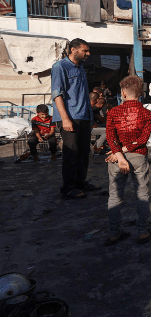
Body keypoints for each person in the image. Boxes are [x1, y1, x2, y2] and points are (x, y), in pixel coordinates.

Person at [103, 75, 151, 246]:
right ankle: (142, 231)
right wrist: (124, 151)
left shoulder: (113, 112)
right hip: (138, 156)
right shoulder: (147, 113)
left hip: (116, 158)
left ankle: (114, 233)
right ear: (140, 93)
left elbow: (110, 136)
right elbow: (142, 140)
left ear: (123, 93)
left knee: (115, 196)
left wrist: (118, 154)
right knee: (142, 194)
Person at [51, 38, 93, 200]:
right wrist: (65, 119)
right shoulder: (60, 67)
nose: (88, 54)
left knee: (83, 152)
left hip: (83, 116)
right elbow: (57, 94)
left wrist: (89, 117)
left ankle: (80, 182)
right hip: (69, 117)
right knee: (71, 153)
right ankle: (68, 188)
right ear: (74, 50)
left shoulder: (80, 67)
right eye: (85, 50)